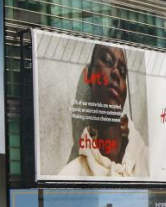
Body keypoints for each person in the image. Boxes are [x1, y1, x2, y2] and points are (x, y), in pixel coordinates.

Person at [60, 44, 149, 177]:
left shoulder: (149, 161)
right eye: (107, 61)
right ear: (89, 75)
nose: (116, 73)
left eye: (123, 71)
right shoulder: (70, 175)